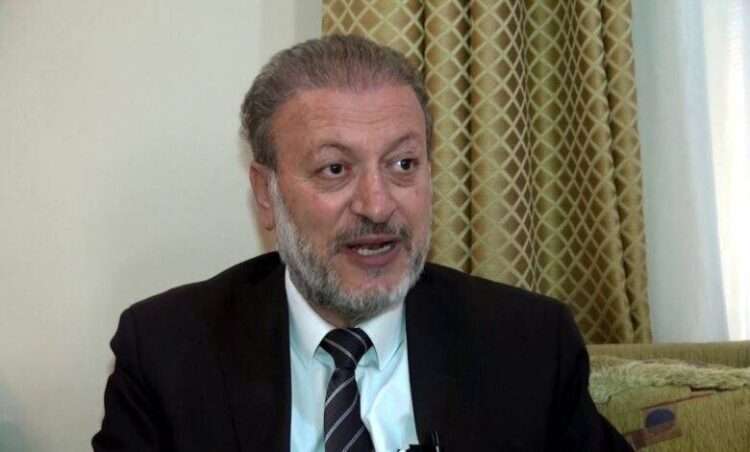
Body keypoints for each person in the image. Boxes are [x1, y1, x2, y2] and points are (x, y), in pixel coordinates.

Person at [92, 35, 632, 452]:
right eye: (335, 169)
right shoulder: (168, 351)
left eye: (403, 164)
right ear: (266, 193)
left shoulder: (527, 345)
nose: (377, 205)